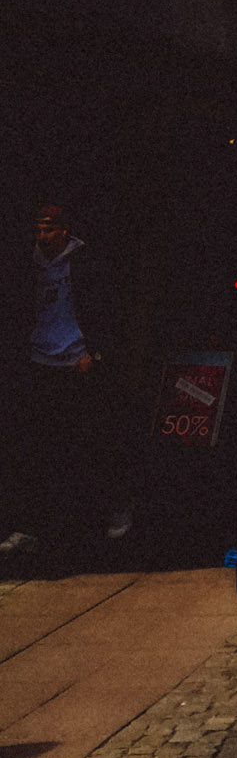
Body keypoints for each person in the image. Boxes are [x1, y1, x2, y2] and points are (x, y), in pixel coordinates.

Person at [1, 206, 130, 557]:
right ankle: (32, 526)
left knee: (89, 441)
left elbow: (107, 307)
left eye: (48, 230)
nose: (42, 237)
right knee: (37, 447)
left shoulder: (83, 262)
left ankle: (110, 511)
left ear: (63, 231)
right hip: (40, 358)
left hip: (76, 360)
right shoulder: (29, 264)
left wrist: (96, 353)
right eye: (38, 230)